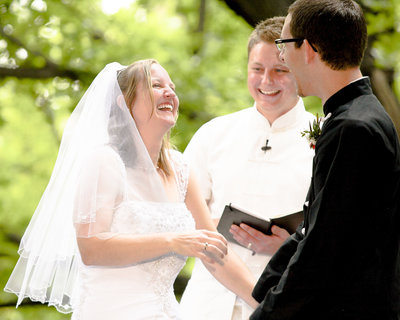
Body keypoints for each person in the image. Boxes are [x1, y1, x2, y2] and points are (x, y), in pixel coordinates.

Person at [4, 59, 258, 319]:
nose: (170, 92)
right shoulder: (104, 161)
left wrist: (268, 302)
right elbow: (91, 248)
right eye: (156, 85)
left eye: (171, 86)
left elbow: (214, 250)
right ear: (124, 103)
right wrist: (173, 241)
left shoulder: (180, 168)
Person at [251, 0, 400, 319]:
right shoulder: (358, 115)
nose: (282, 56)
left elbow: (323, 249)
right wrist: (267, 288)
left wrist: (266, 313)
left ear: (307, 48)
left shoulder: (353, 128)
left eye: (284, 45)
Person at [180, 17, 315, 320]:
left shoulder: (329, 137)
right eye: (257, 69)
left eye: (280, 70)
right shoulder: (213, 134)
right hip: (207, 305)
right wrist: (209, 225)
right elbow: (175, 212)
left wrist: (292, 247)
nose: (266, 81)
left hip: (287, 305)